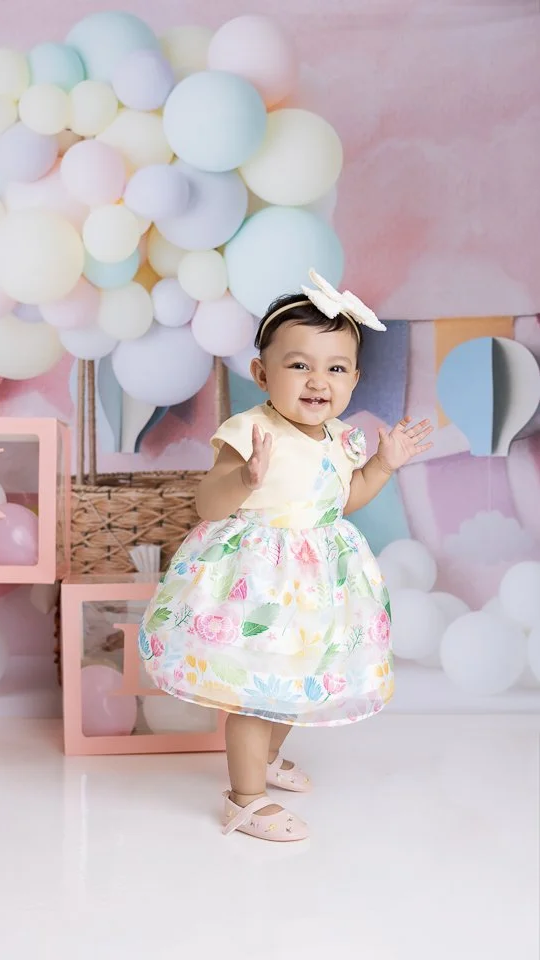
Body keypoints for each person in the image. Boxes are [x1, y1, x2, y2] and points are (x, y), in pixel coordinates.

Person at [139, 270, 433, 842]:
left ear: (354, 380)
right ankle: (244, 798)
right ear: (261, 373)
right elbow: (209, 501)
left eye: (335, 367)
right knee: (256, 689)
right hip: (258, 577)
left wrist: (383, 465)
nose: (317, 380)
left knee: (298, 674)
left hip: (317, 578)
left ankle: (267, 760)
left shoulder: (342, 437)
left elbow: (342, 500)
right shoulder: (250, 429)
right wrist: (246, 479)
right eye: (298, 364)